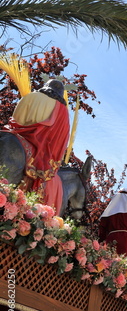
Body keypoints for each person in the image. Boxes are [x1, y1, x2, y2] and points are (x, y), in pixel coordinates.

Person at [5, 79, 70, 214]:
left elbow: (15, 119)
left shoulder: (31, 96)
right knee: (41, 178)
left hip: (14, 135)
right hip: (37, 149)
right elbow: (59, 142)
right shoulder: (62, 111)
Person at [99, 188, 127, 256]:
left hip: (110, 239)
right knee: (123, 263)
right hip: (125, 241)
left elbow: (102, 228)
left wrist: (101, 241)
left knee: (108, 261)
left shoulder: (109, 212)